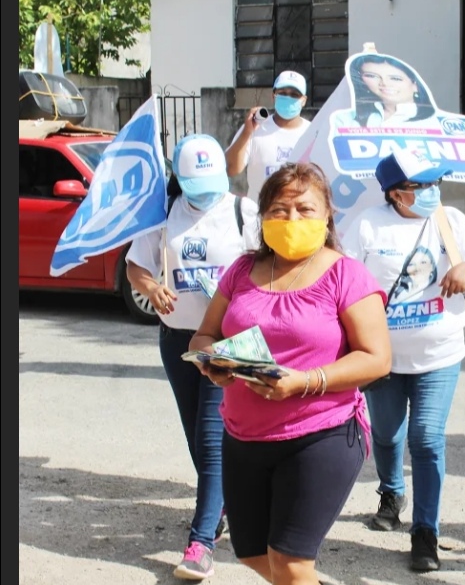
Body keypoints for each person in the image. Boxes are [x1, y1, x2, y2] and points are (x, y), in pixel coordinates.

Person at [186, 161, 392, 585]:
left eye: (305, 209)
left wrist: (306, 382)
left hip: (322, 433)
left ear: (328, 214)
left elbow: (376, 358)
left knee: (292, 564)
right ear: (262, 217)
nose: (292, 218)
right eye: (279, 209)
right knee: (252, 554)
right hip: (243, 437)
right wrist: (214, 363)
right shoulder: (241, 270)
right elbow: (202, 336)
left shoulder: (347, 274)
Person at [340, 148, 465, 572]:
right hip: (382, 359)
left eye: (434, 183)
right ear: (396, 193)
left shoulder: (450, 221)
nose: (432, 192)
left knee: (427, 439)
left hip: (439, 355)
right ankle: (392, 492)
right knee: (389, 436)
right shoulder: (367, 226)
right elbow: (340, 279)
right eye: (421, 185)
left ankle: (425, 531)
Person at [126, 133, 261, 580]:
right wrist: (150, 287)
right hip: (177, 341)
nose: (205, 192)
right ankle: (222, 506)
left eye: (212, 181)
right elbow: (136, 264)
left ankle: (201, 542)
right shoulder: (163, 215)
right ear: (179, 180)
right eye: (194, 183)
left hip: (226, 344)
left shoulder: (244, 213)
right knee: (197, 443)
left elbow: (272, 267)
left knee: (210, 439)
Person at [225, 70, 312, 202]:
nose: (288, 98)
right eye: (282, 93)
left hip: (298, 216)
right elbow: (231, 169)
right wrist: (247, 132)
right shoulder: (255, 127)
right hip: (260, 216)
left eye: (294, 95)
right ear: (273, 95)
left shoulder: (313, 132)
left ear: (304, 100)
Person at [332, 53, 448, 130]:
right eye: (372, 76)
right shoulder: (346, 119)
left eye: (395, 78)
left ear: (415, 85)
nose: (385, 83)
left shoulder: (442, 123)